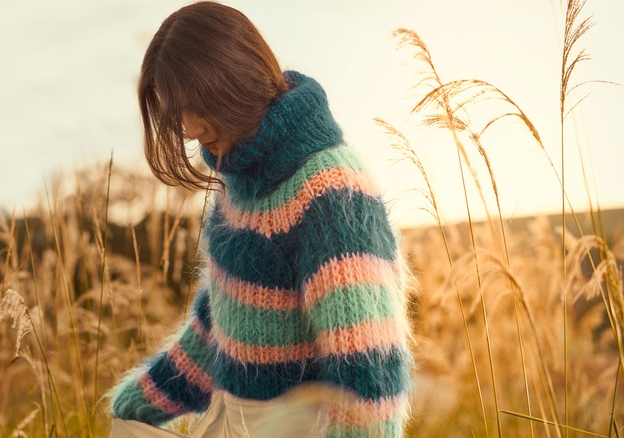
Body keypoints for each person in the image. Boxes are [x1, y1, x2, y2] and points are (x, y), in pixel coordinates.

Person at [106, 2, 413, 437]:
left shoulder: (330, 189)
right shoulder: (238, 185)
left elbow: (369, 373)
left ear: (234, 79)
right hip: (229, 422)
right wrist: (137, 405)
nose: (190, 129)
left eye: (197, 106)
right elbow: (221, 328)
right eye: (178, 116)